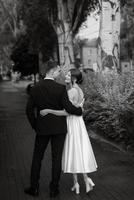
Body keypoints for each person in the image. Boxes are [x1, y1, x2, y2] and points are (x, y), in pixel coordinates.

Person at [24, 60, 82, 198]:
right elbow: (68, 108)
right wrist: (79, 110)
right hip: (59, 129)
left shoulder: (35, 88)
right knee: (56, 160)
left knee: (37, 158)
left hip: (42, 129)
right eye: (58, 71)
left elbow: (28, 110)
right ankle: (54, 190)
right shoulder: (60, 88)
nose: (59, 73)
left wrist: (35, 125)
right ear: (52, 71)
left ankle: (34, 188)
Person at [40, 68, 97, 194]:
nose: (65, 76)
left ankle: (80, 182)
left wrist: (49, 110)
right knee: (78, 152)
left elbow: (66, 112)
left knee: (73, 152)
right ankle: (81, 182)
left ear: (75, 78)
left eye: (68, 75)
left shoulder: (72, 91)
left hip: (72, 123)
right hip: (78, 124)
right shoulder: (79, 90)